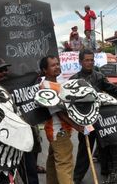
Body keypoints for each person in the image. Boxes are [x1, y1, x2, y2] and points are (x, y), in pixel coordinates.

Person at [70, 49, 117, 184]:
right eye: (87, 60)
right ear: (80, 61)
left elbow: (114, 89)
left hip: (102, 118)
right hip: (85, 121)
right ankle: (77, 178)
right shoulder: (73, 80)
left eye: (92, 60)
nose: (90, 62)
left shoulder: (99, 76)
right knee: (85, 150)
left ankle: (106, 173)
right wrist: (76, 121)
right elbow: (68, 103)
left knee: (106, 147)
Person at [0, 56, 40, 183]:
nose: (4, 72)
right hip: (1, 140)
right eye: (0, 70)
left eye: (5, 69)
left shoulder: (16, 82)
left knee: (29, 170)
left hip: (22, 134)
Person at [39, 55, 84, 184]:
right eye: (53, 65)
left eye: (57, 64)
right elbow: (58, 112)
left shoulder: (56, 84)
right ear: (44, 70)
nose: (57, 67)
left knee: (53, 162)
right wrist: (77, 126)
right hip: (58, 130)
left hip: (58, 131)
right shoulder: (46, 87)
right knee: (65, 164)